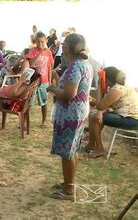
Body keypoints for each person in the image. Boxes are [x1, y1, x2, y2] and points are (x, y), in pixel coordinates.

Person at [46, 33, 93, 200]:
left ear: (69, 47)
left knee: (67, 152)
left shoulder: (75, 66)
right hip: (78, 113)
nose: (62, 45)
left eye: (64, 43)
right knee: (73, 150)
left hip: (70, 115)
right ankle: (68, 183)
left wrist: (52, 88)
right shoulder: (84, 64)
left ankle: (68, 190)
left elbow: (68, 93)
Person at [86, 66, 138, 158]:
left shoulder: (117, 89)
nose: (101, 80)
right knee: (94, 115)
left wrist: (99, 87)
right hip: (126, 116)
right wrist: (100, 112)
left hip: (131, 120)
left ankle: (99, 149)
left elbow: (100, 106)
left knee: (94, 117)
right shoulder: (117, 86)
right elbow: (106, 106)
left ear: (107, 78)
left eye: (101, 79)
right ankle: (91, 145)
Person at [27, 31, 54, 128]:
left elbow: (50, 67)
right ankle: (26, 122)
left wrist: (50, 80)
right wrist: (39, 54)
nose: (40, 44)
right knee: (29, 102)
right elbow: (31, 64)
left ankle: (44, 121)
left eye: (42, 42)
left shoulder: (49, 52)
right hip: (34, 80)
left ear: (46, 41)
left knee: (44, 101)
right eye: (38, 42)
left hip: (44, 81)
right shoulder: (32, 51)